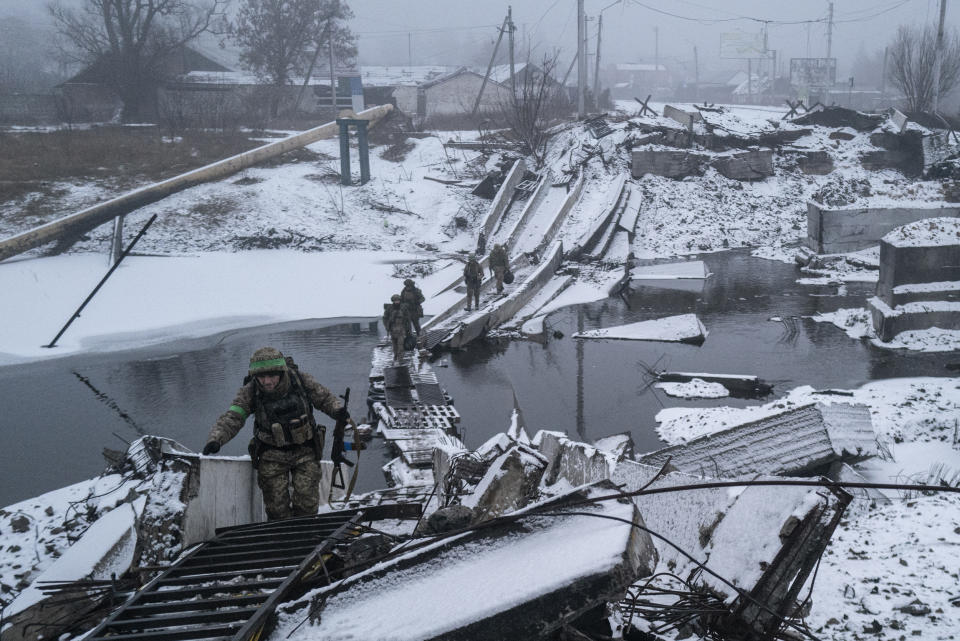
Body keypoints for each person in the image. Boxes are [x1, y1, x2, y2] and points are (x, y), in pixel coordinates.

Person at [202, 347, 348, 521]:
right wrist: (216, 439)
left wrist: (337, 411)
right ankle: (284, 541)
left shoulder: (300, 380)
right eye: (262, 377)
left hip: (305, 451)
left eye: (272, 376)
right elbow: (233, 417)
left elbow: (324, 398)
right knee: (277, 510)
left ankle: (306, 538)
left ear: (281, 372)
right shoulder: (250, 391)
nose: (267, 382)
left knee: (307, 505)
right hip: (271, 455)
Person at [383, 294, 413, 364]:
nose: (397, 302)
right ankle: (395, 356)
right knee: (394, 345)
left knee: (400, 345)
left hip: (401, 329)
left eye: (398, 300)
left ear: (400, 300)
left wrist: (409, 329)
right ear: (393, 301)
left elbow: (408, 319)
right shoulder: (389, 308)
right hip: (393, 329)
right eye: (395, 301)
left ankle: (400, 359)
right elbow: (385, 318)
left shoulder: (403, 308)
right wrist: (387, 326)